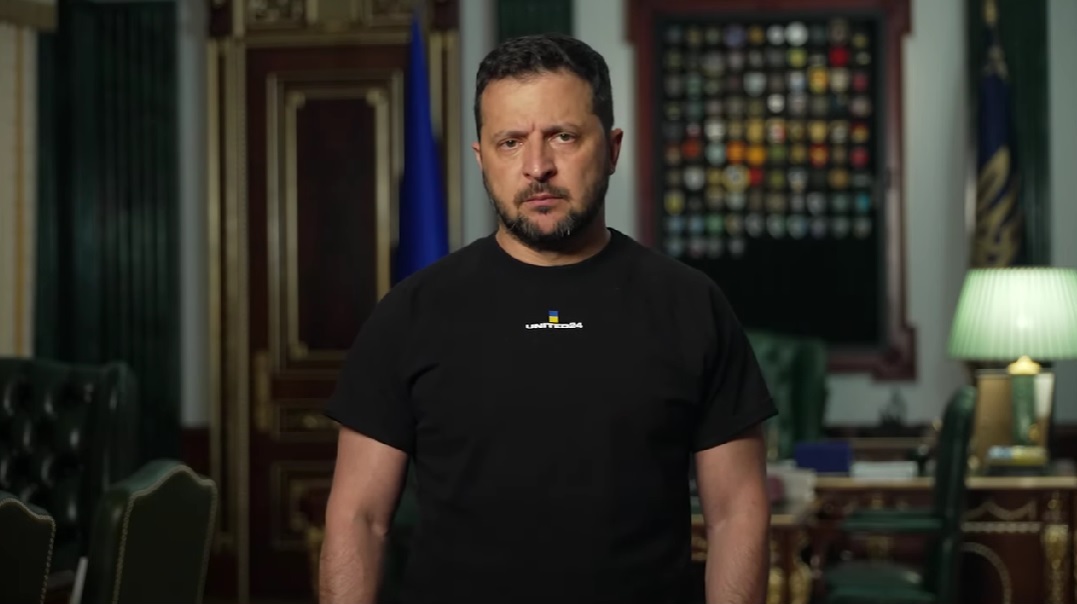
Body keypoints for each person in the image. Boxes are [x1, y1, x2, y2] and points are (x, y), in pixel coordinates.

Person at [319, 32, 776, 604]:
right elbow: (359, 518)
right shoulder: (410, 313)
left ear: (612, 148)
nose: (537, 167)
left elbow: (736, 513)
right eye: (510, 142)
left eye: (563, 136)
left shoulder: (691, 305)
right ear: (482, 158)